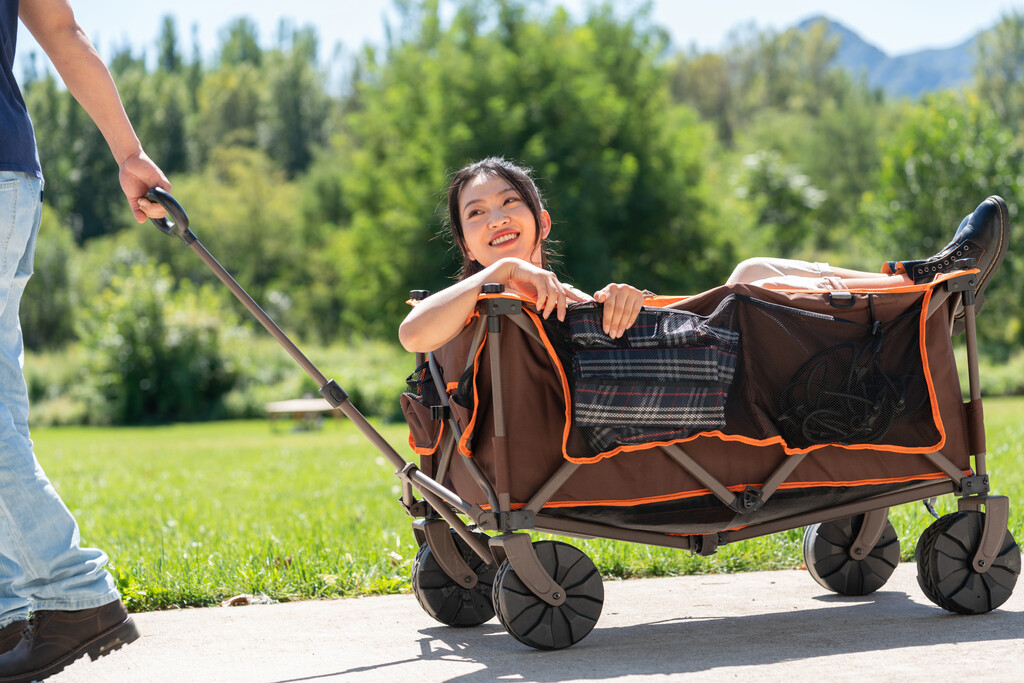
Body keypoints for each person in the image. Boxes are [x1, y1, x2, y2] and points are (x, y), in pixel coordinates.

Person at [399, 156, 1007, 353]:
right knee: (751, 278)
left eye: (510, 203)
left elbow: (618, 330)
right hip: (682, 393)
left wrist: (623, 299)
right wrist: (503, 272)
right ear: (466, 244)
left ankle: (919, 287)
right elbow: (412, 335)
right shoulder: (484, 296)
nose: (497, 218)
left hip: (678, 366)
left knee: (753, 275)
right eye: (476, 213)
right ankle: (921, 294)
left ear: (542, 220)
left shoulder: (557, 294)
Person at [0, 1, 168, 679]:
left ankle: (74, 593)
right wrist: (128, 153)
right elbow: (64, 33)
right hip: (11, 177)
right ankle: (11, 604)